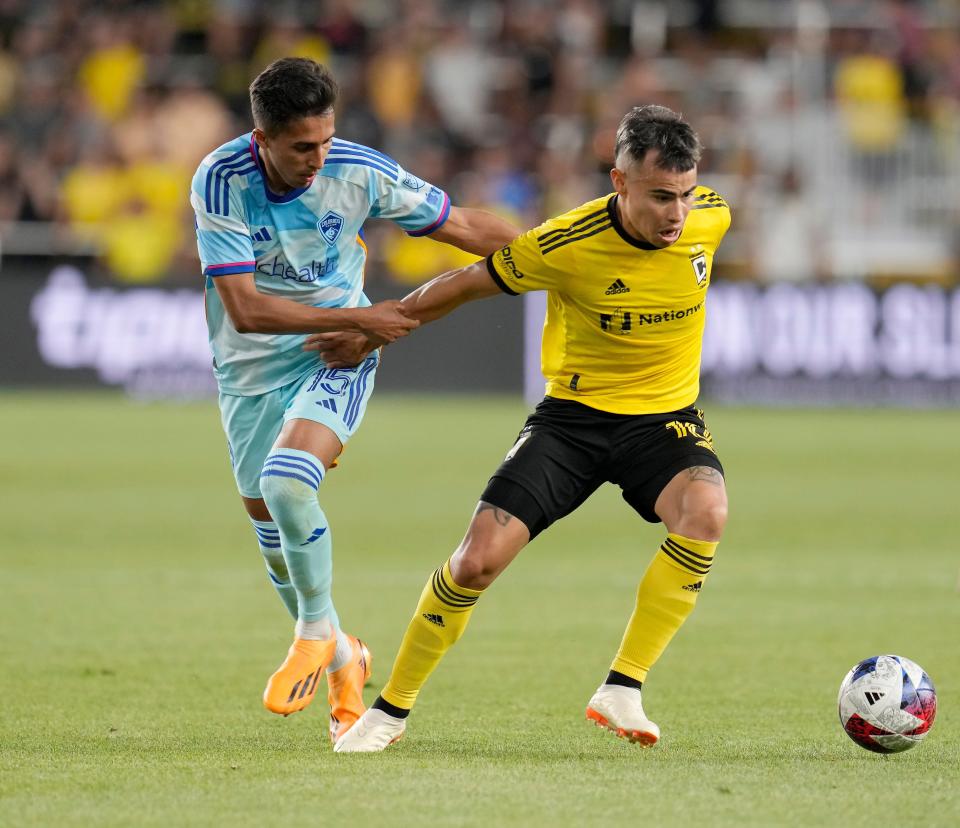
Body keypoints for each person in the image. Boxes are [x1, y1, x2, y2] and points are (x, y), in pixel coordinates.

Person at [314, 104, 732, 752]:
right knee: (475, 562)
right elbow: (463, 284)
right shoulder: (568, 244)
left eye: (682, 194)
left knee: (706, 511)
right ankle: (389, 711)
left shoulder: (712, 216)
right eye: (658, 197)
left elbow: (696, 215)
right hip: (572, 423)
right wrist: (376, 329)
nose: (676, 213)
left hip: (663, 420)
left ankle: (623, 686)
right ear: (618, 183)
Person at [189, 57, 519, 743]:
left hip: (336, 354)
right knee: (270, 526)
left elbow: (459, 226)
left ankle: (312, 633)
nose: (318, 158)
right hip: (250, 368)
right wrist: (368, 318)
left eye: (325, 140)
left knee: (286, 482)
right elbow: (246, 310)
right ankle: (344, 653)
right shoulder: (222, 181)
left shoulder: (358, 169)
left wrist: (558, 251)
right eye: (301, 147)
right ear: (264, 137)